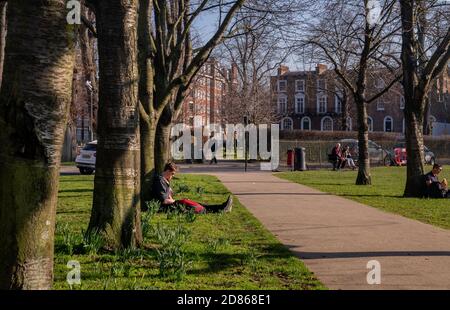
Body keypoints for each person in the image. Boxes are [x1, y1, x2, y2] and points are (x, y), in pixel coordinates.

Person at [151, 162, 233, 213]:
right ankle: (221, 209)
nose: (173, 176)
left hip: (170, 204)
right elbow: (164, 200)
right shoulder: (160, 181)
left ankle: (222, 207)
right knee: (197, 207)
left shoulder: (164, 180)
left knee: (198, 204)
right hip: (166, 207)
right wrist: (176, 201)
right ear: (167, 171)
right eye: (172, 174)